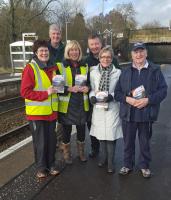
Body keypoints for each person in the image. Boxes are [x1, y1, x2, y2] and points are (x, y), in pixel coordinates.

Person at [114, 42, 167, 178]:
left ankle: (144, 165)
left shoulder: (155, 70)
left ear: (146, 53)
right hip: (129, 114)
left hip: (146, 113)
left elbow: (163, 90)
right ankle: (127, 164)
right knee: (128, 142)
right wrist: (127, 99)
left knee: (144, 142)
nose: (139, 54)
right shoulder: (125, 72)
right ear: (131, 55)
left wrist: (148, 100)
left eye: (141, 51)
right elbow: (118, 92)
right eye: (136, 52)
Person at [21, 40, 60, 178]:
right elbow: (25, 92)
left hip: (51, 112)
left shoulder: (53, 67)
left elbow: (57, 87)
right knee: (40, 142)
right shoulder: (30, 68)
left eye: (46, 51)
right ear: (36, 53)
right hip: (37, 113)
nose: (44, 53)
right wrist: (46, 93)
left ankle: (51, 164)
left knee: (51, 141)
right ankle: (41, 168)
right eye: (41, 51)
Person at [84, 33, 119, 158]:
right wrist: (90, 93)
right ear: (89, 45)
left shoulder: (112, 59)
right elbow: (86, 80)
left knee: (109, 127)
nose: (94, 46)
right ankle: (95, 149)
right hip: (93, 99)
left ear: (101, 44)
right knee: (93, 125)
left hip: (109, 101)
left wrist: (112, 95)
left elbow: (118, 79)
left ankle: (108, 155)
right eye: (92, 44)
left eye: (96, 43)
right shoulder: (86, 61)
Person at [89, 46, 123, 173]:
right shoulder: (93, 72)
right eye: (103, 57)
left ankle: (110, 162)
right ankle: (103, 158)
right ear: (99, 57)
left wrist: (111, 96)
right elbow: (92, 88)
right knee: (101, 136)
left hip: (112, 108)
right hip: (98, 108)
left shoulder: (118, 73)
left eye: (108, 57)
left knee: (111, 136)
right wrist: (91, 96)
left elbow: (120, 91)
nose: (105, 59)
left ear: (112, 58)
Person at [57, 40, 89, 164]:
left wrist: (88, 88)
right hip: (67, 105)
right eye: (71, 50)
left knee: (81, 130)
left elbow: (90, 84)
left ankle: (81, 153)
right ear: (68, 52)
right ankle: (67, 154)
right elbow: (57, 87)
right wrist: (69, 88)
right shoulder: (61, 66)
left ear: (79, 52)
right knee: (66, 131)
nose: (74, 52)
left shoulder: (85, 66)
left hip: (81, 103)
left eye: (76, 50)